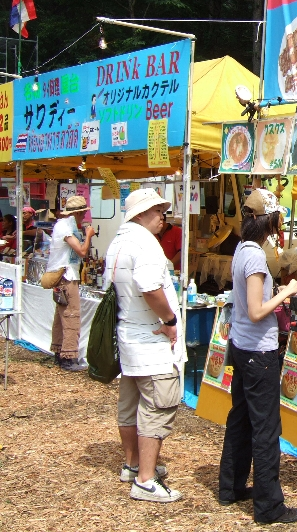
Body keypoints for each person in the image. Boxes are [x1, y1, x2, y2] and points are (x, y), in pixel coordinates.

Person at [218, 188, 297, 525]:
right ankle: (269, 506)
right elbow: (256, 311)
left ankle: (231, 487)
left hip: (241, 347)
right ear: (269, 220)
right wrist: (286, 292)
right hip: (258, 352)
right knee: (266, 428)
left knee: (240, 419)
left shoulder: (243, 248)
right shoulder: (254, 256)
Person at [105, 188, 186, 503]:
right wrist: (168, 320)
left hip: (130, 336)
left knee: (130, 403)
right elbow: (150, 287)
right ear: (140, 214)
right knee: (157, 407)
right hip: (151, 340)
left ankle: (133, 463)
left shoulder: (118, 241)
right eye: (157, 210)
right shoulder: (146, 243)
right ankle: (146, 479)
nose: (162, 216)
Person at [46, 196, 95, 371]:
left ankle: (59, 351)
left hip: (60, 275)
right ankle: (69, 356)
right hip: (66, 275)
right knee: (72, 315)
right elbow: (81, 251)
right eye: (83, 214)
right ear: (79, 213)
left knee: (61, 316)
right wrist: (88, 236)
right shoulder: (66, 227)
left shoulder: (63, 225)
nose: (84, 217)